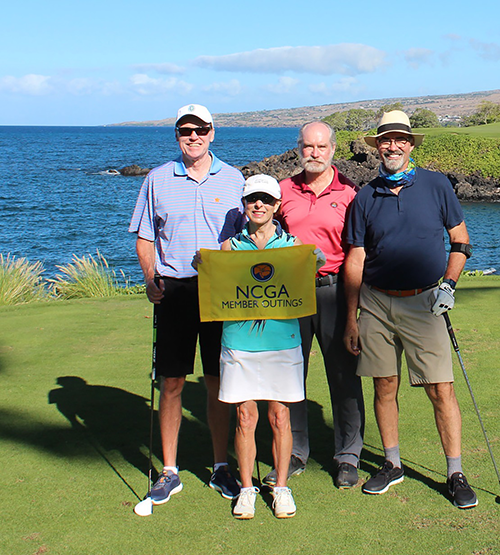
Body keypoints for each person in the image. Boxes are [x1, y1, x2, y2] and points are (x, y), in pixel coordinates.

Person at [343, 110, 477, 509]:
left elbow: (461, 240)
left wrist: (448, 286)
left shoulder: (437, 185)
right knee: (384, 385)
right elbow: (355, 258)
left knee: (441, 389)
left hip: (425, 301)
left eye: (401, 139)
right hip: (377, 302)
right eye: (386, 140)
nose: (393, 146)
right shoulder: (365, 196)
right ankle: (392, 463)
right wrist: (351, 316)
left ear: (411, 144)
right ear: (377, 147)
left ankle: (455, 472)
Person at [128, 103, 245, 507]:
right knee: (172, 381)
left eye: (200, 129)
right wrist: (149, 279)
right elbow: (145, 237)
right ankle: (170, 470)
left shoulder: (233, 179)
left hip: (219, 291)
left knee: (217, 381)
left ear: (213, 133)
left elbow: (248, 239)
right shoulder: (158, 179)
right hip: (174, 290)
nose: (193, 136)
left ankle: (220, 467)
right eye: (184, 130)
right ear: (177, 135)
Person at [263, 121, 365, 489]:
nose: (314, 153)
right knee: (290, 375)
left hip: (336, 291)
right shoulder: (282, 191)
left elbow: (359, 251)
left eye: (321, 147)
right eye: (308, 146)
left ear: (333, 149)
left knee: (344, 376)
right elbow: (261, 235)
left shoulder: (351, 193)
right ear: (299, 148)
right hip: (291, 293)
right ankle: (293, 452)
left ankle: (348, 456)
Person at [217, 174, 305, 519]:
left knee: (280, 416)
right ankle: (246, 489)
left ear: (277, 206)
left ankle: (281, 487)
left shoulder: (293, 247)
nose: (259, 205)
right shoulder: (228, 248)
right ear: (244, 205)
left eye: (266, 200)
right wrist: (203, 268)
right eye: (252, 199)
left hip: (281, 341)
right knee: (244, 416)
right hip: (239, 342)